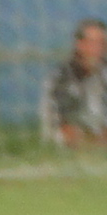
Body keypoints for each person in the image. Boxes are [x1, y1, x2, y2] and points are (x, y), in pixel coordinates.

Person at [43, 18, 107, 147]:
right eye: (92, 42)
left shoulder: (103, 73)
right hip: (71, 142)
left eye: (102, 43)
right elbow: (64, 125)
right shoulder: (61, 78)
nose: (98, 48)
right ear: (79, 44)